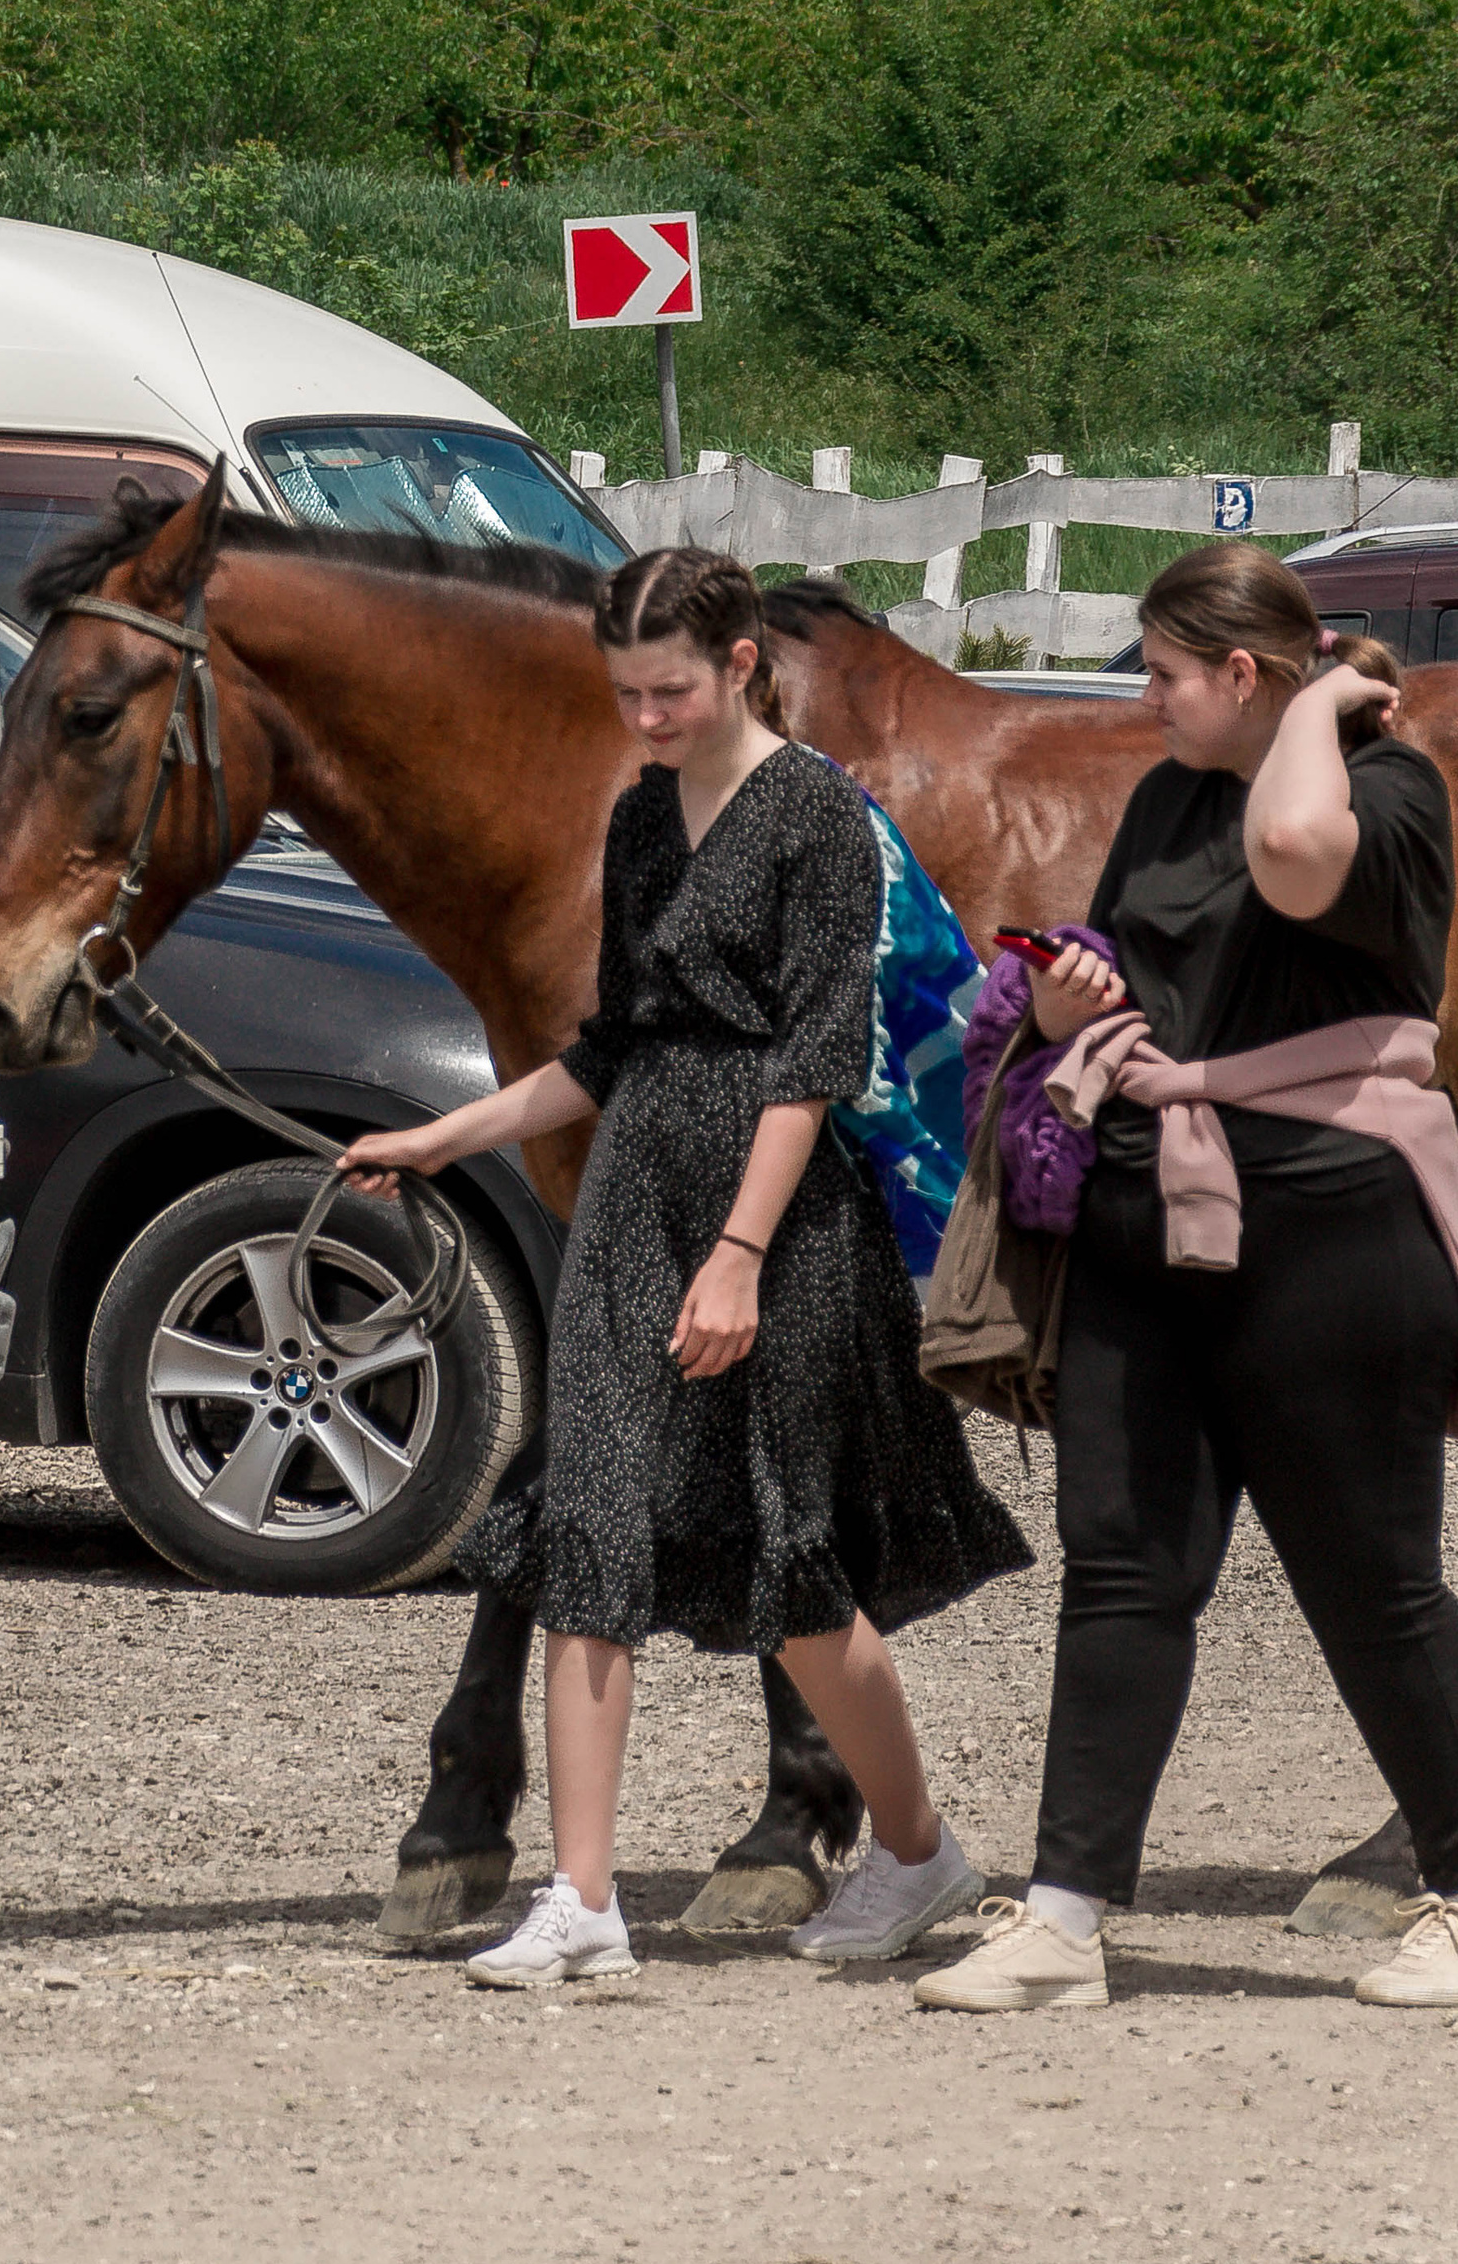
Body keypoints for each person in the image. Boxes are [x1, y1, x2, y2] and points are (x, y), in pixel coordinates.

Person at [339, 546, 1031, 1988]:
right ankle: (582, 1898)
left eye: (668, 690)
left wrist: (735, 1258)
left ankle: (917, 1848)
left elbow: (815, 1056)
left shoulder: (825, 821)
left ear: (739, 667)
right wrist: (446, 1132)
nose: (644, 718)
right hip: (637, 1192)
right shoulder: (645, 814)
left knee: (792, 1558)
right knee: (586, 1520)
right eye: (624, 693)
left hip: (776, 1218)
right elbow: (610, 1046)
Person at [914, 542, 1458, 2017]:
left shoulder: (1384, 789)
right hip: (1149, 1208)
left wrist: (1328, 706)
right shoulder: (1170, 793)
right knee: (1122, 1567)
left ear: (1248, 675)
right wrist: (1076, 995)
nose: (1147, 693)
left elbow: (1298, 858)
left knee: (1375, 1585)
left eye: (1169, 671)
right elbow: (1137, 960)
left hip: (1332, 1230)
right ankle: (1065, 1913)